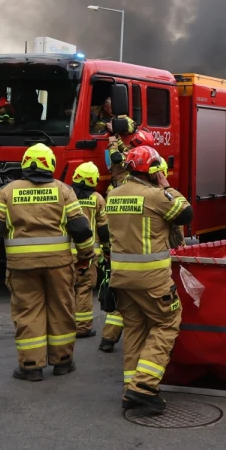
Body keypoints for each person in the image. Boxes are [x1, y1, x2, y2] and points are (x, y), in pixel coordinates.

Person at [0, 143, 97, 381]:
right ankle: (62, 361)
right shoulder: (64, 191)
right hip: (60, 266)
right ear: (51, 164)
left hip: (22, 267)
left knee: (28, 312)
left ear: (24, 164)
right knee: (62, 309)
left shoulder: (7, 192)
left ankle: (31, 366)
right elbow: (81, 228)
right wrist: (85, 256)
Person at [105, 145, 193, 414]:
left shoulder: (113, 194)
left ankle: (130, 387)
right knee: (167, 323)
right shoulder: (156, 196)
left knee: (134, 329)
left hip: (121, 280)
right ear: (154, 171)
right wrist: (167, 186)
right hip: (152, 280)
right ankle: (143, 388)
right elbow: (186, 212)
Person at [99, 128, 156, 353]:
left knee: (121, 295)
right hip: (142, 248)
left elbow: (116, 156)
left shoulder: (126, 164)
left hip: (120, 241)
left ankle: (108, 338)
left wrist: (114, 141)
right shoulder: (147, 164)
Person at [70, 162, 108, 339]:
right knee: (84, 289)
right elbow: (103, 228)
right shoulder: (97, 199)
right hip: (88, 254)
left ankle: (63, 325)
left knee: (65, 289)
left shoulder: (66, 197)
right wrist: (107, 251)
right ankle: (82, 327)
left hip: (64, 253)